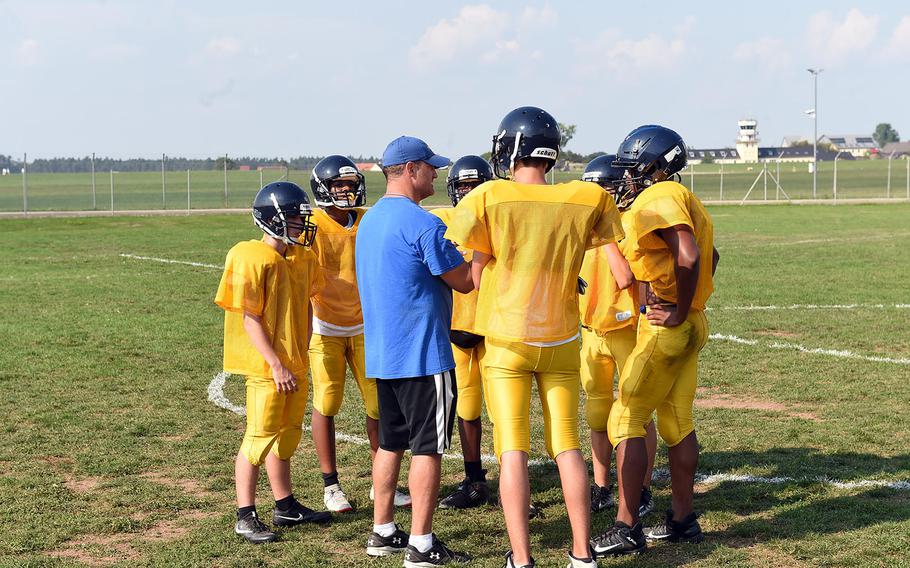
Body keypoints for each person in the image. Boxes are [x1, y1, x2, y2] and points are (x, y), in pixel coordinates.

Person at [445, 107, 631, 568]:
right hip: (563, 337)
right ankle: (582, 553)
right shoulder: (586, 197)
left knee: (513, 449)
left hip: (508, 339)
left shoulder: (489, 196)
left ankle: (522, 558)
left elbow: (472, 271)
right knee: (567, 445)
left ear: (510, 147)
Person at [591, 125, 719, 557]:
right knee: (677, 422)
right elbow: (710, 257)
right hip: (692, 323)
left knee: (623, 418)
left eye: (632, 168)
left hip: (670, 326)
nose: (626, 178)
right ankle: (683, 520)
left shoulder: (658, 198)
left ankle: (626, 526)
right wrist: (689, 303)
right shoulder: (685, 198)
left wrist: (677, 306)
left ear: (658, 165)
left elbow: (689, 255)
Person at [356, 136, 473, 566]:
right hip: (424, 356)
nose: (436, 174)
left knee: (390, 443)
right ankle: (421, 545)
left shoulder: (369, 220)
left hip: (384, 356)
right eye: (430, 167)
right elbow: (463, 280)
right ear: (410, 169)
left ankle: (382, 530)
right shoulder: (423, 223)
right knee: (428, 448)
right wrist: (484, 253)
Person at [214, 181, 331, 544]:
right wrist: (276, 364)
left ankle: (285, 504)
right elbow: (251, 318)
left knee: (288, 435)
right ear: (272, 219)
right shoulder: (250, 256)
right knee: (258, 438)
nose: (300, 223)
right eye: (294, 217)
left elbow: (312, 304)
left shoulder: (303, 258)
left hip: (295, 361)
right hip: (268, 368)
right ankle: (244, 515)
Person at [307, 155, 410, 513]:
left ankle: (381, 482)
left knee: (378, 406)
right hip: (325, 326)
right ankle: (330, 485)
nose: (346, 192)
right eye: (339, 186)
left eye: (350, 185)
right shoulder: (314, 225)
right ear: (323, 189)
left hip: (366, 325)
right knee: (327, 402)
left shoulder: (367, 219)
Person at [579, 155, 658, 517]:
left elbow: (628, 278)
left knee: (636, 414)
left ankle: (642, 488)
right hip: (592, 330)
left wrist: (605, 235)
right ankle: (601, 486)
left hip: (627, 328)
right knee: (597, 413)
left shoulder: (627, 225)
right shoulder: (579, 228)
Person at [431, 155, 495, 510]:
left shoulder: (499, 220)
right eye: (463, 187)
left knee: (503, 413)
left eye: (475, 186)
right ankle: (474, 481)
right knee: (467, 407)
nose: (469, 193)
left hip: (493, 328)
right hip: (456, 328)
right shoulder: (442, 222)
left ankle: (518, 484)